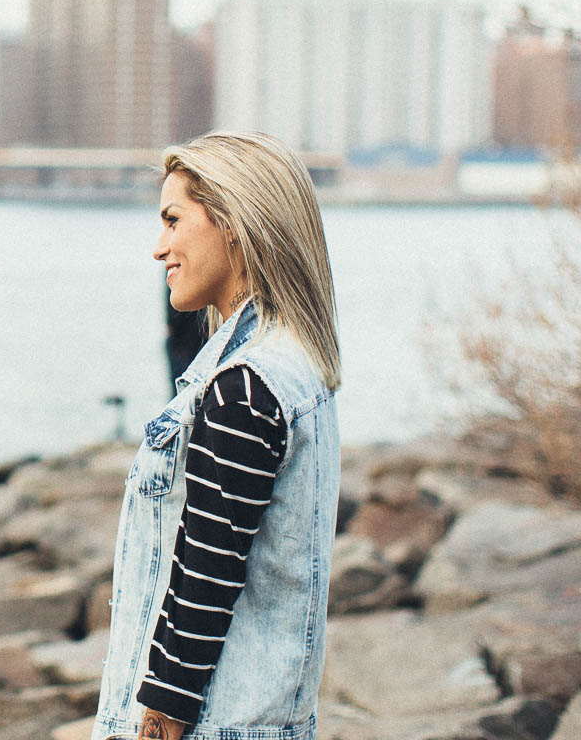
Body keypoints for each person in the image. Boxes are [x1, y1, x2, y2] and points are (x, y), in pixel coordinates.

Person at [94, 132, 342, 740]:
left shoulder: (243, 388)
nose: (160, 248)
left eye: (173, 220)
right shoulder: (293, 366)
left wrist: (152, 730)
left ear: (234, 222)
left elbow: (203, 587)